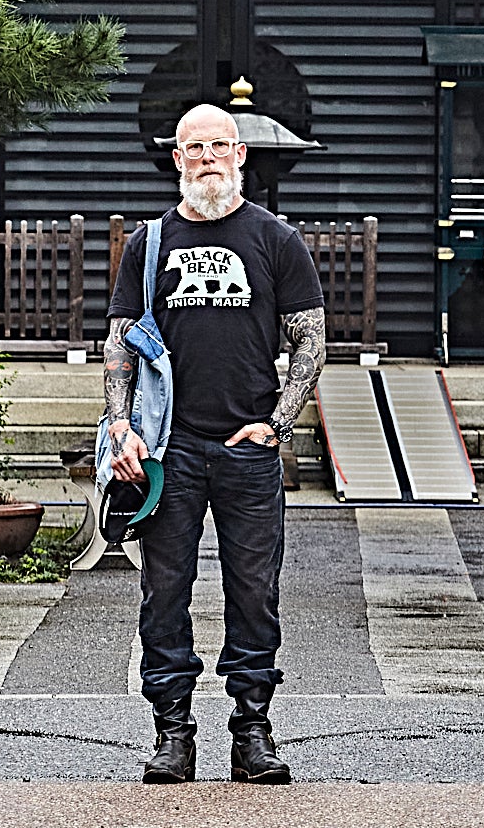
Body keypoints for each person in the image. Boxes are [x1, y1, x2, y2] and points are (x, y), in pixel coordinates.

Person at [104, 101, 327, 785]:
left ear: (240, 155)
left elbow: (311, 340)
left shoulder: (276, 239)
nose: (208, 158)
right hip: (167, 450)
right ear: (177, 159)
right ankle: (172, 732)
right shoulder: (147, 244)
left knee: (254, 591)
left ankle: (252, 731)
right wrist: (120, 426)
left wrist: (278, 424)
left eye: (219, 146)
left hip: (247, 447)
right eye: (194, 147)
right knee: (163, 591)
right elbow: (119, 344)